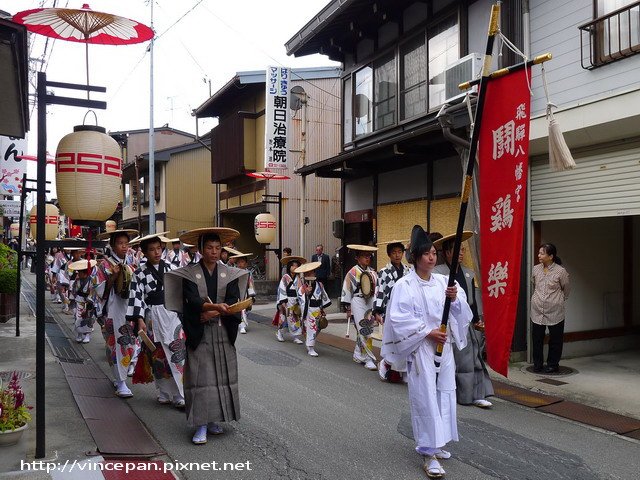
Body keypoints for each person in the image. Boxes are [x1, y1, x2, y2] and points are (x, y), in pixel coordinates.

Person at [383, 226, 473, 478]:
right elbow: (399, 319)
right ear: (416, 257)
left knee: (445, 393)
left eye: (434, 253)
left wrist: (455, 299)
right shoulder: (405, 285)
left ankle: (439, 441)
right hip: (421, 347)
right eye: (426, 254)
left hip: (443, 347)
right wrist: (426, 332)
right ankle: (427, 451)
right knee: (425, 397)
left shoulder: (445, 282)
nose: (432, 257)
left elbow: (461, 312)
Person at [164, 227, 249, 445]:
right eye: (209, 247)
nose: (213, 251)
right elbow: (190, 300)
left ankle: (213, 420)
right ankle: (200, 425)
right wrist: (213, 308)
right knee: (201, 378)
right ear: (200, 249)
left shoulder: (229, 273)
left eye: (217, 248)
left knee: (220, 376)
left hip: (221, 329)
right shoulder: (190, 273)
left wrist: (212, 311)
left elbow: (232, 300)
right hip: (199, 332)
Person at [126, 232, 187, 409]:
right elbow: (137, 297)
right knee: (158, 355)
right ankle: (164, 392)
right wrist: (139, 319)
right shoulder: (139, 273)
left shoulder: (171, 267)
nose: (156, 252)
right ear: (144, 252)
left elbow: (180, 291)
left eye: (159, 248)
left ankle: (179, 393)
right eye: (151, 249)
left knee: (177, 353)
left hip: (172, 313)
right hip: (151, 315)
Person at [434, 232, 494, 408]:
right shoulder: (438, 273)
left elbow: (471, 300)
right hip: (446, 323)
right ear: (446, 252)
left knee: (471, 359)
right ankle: (449, 392)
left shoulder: (468, 273)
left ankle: (473, 395)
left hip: (465, 322)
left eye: (463, 250)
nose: (461, 253)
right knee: (449, 361)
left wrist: (476, 319)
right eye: (457, 250)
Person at [96, 228, 139, 398]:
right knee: (115, 345)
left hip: (128, 309)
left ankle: (119, 377)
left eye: (126, 243)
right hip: (112, 310)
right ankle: (121, 382)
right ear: (112, 246)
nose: (123, 247)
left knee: (130, 344)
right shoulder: (104, 264)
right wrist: (112, 278)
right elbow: (98, 290)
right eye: (120, 243)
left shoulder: (132, 264)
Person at [374, 240, 411, 382]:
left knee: (405, 339)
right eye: (394, 252)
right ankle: (386, 363)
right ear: (389, 254)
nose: (397, 255)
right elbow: (380, 291)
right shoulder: (384, 272)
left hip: (405, 309)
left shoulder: (408, 270)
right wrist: (378, 311)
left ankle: (401, 369)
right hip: (391, 308)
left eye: (400, 252)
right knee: (392, 339)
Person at [531, 243, 570, 373]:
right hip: (537, 311)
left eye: (542, 253)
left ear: (551, 256)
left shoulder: (561, 271)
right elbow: (534, 284)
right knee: (537, 338)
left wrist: (557, 300)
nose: (539, 255)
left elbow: (566, 289)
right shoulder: (535, 269)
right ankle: (537, 364)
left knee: (555, 339)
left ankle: (553, 364)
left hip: (555, 311)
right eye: (539, 253)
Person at [341, 244, 379, 371]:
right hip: (357, 300)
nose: (367, 258)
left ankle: (358, 353)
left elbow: (377, 289)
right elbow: (347, 289)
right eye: (364, 256)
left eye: (369, 256)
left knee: (367, 327)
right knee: (364, 328)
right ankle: (368, 358)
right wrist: (348, 307)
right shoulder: (352, 272)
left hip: (369, 301)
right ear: (357, 258)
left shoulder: (373, 271)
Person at [296, 261, 331, 357]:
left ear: (314, 273)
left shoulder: (320, 284)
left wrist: (322, 309)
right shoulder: (303, 286)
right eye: (307, 273)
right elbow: (299, 297)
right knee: (312, 328)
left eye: (311, 272)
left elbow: (323, 297)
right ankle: (310, 348)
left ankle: (309, 343)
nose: (309, 274)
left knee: (318, 327)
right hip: (309, 310)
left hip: (317, 309)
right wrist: (306, 292)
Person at [276, 255, 306, 343]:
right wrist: (283, 301)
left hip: (295, 301)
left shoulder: (298, 278)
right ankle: (280, 333)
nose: (295, 267)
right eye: (293, 265)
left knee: (296, 318)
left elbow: (300, 290)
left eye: (296, 266)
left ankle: (296, 336)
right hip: (286, 300)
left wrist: (301, 299)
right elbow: (281, 289)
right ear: (289, 267)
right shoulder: (285, 277)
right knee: (284, 318)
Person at [68, 258, 98, 344]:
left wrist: (89, 301)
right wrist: (72, 301)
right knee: (78, 317)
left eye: (80, 272)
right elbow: (73, 291)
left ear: (85, 272)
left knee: (89, 318)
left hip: (89, 302)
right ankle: (79, 334)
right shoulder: (77, 280)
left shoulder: (92, 280)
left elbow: (94, 292)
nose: (78, 274)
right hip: (79, 300)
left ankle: (87, 335)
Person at [228, 252, 256, 334]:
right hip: (235, 293)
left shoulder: (248, 273)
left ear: (246, 264)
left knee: (244, 309)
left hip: (245, 294)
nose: (240, 264)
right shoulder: (233, 272)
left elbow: (251, 284)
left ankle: (242, 325)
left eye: (242, 262)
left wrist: (252, 296)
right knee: (237, 309)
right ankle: (241, 325)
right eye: (239, 262)